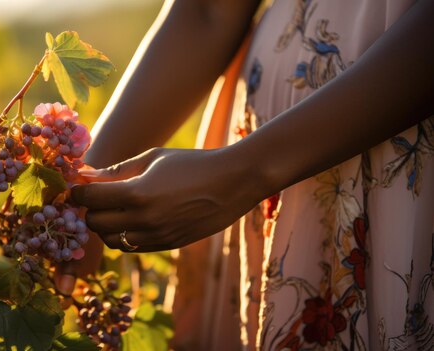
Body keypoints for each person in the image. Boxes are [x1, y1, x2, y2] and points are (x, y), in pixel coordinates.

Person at [58, 0, 434, 349]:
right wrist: (86, 182)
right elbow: (209, 11)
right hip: (251, 166)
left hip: (400, 155)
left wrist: (246, 172)